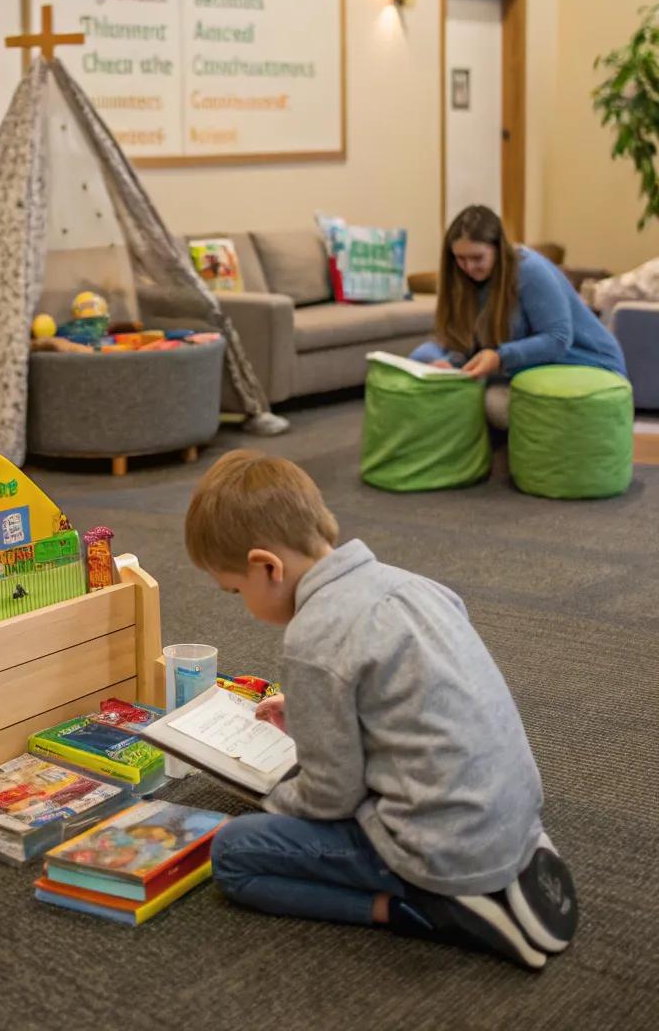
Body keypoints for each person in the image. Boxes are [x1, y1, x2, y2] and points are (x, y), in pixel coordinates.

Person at [186, 450, 578, 970]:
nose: (241, 603)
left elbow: (332, 796)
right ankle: (492, 867)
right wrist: (306, 710)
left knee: (233, 856)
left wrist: (273, 797)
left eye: (236, 590)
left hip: (436, 846)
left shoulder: (313, 636)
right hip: (511, 812)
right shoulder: (413, 585)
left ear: (267, 567)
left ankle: (419, 908)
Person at [412, 205, 626, 428]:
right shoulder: (463, 281)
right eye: (461, 259)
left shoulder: (528, 269)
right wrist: (438, 361)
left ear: (498, 249)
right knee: (438, 378)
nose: (468, 267)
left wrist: (499, 357)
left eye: (477, 258)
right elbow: (457, 341)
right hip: (532, 370)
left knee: (490, 403)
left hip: (586, 364)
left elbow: (558, 338)